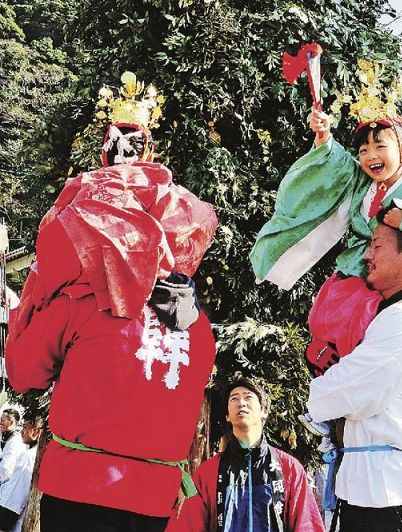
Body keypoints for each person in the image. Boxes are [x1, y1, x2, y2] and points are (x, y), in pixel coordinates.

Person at [6, 72, 218, 532]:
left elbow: (22, 372)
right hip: (156, 502)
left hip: (80, 490)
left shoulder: (80, 304)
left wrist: (36, 291)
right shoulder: (200, 329)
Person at [250, 59, 402, 434]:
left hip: (392, 291)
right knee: (326, 324)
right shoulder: (361, 183)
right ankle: (332, 407)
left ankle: (335, 406)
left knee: (369, 343)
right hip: (354, 275)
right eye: (364, 148)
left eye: (380, 145)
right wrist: (324, 138)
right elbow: (335, 168)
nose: (371, 156)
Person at [306, 219, 402, 530]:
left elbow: (352, 391)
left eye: (376, 246)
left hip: (394, 492)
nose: (366, 256)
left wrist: (319, 389)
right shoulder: (396, 315)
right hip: (379, 488)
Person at [166, 376, 324, 531]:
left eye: (248, 397)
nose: (241, 403)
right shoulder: (208, 472)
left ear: (264, 411)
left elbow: (306, 524)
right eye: (234, 399)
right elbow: (188, 524)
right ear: (227, 416)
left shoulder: (289, 468)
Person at [0, 415, 43, 532]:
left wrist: (3, 526)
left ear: (36, 431)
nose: (22, 432)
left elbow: (14, 499)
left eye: (25, 427)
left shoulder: (29, 457)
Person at [0, 411, 24, 485]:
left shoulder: (15, 442)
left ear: (11, 422)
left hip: (5, 482)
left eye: (2, 420)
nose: (0, 423)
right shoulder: (7, 436)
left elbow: (5, 469)